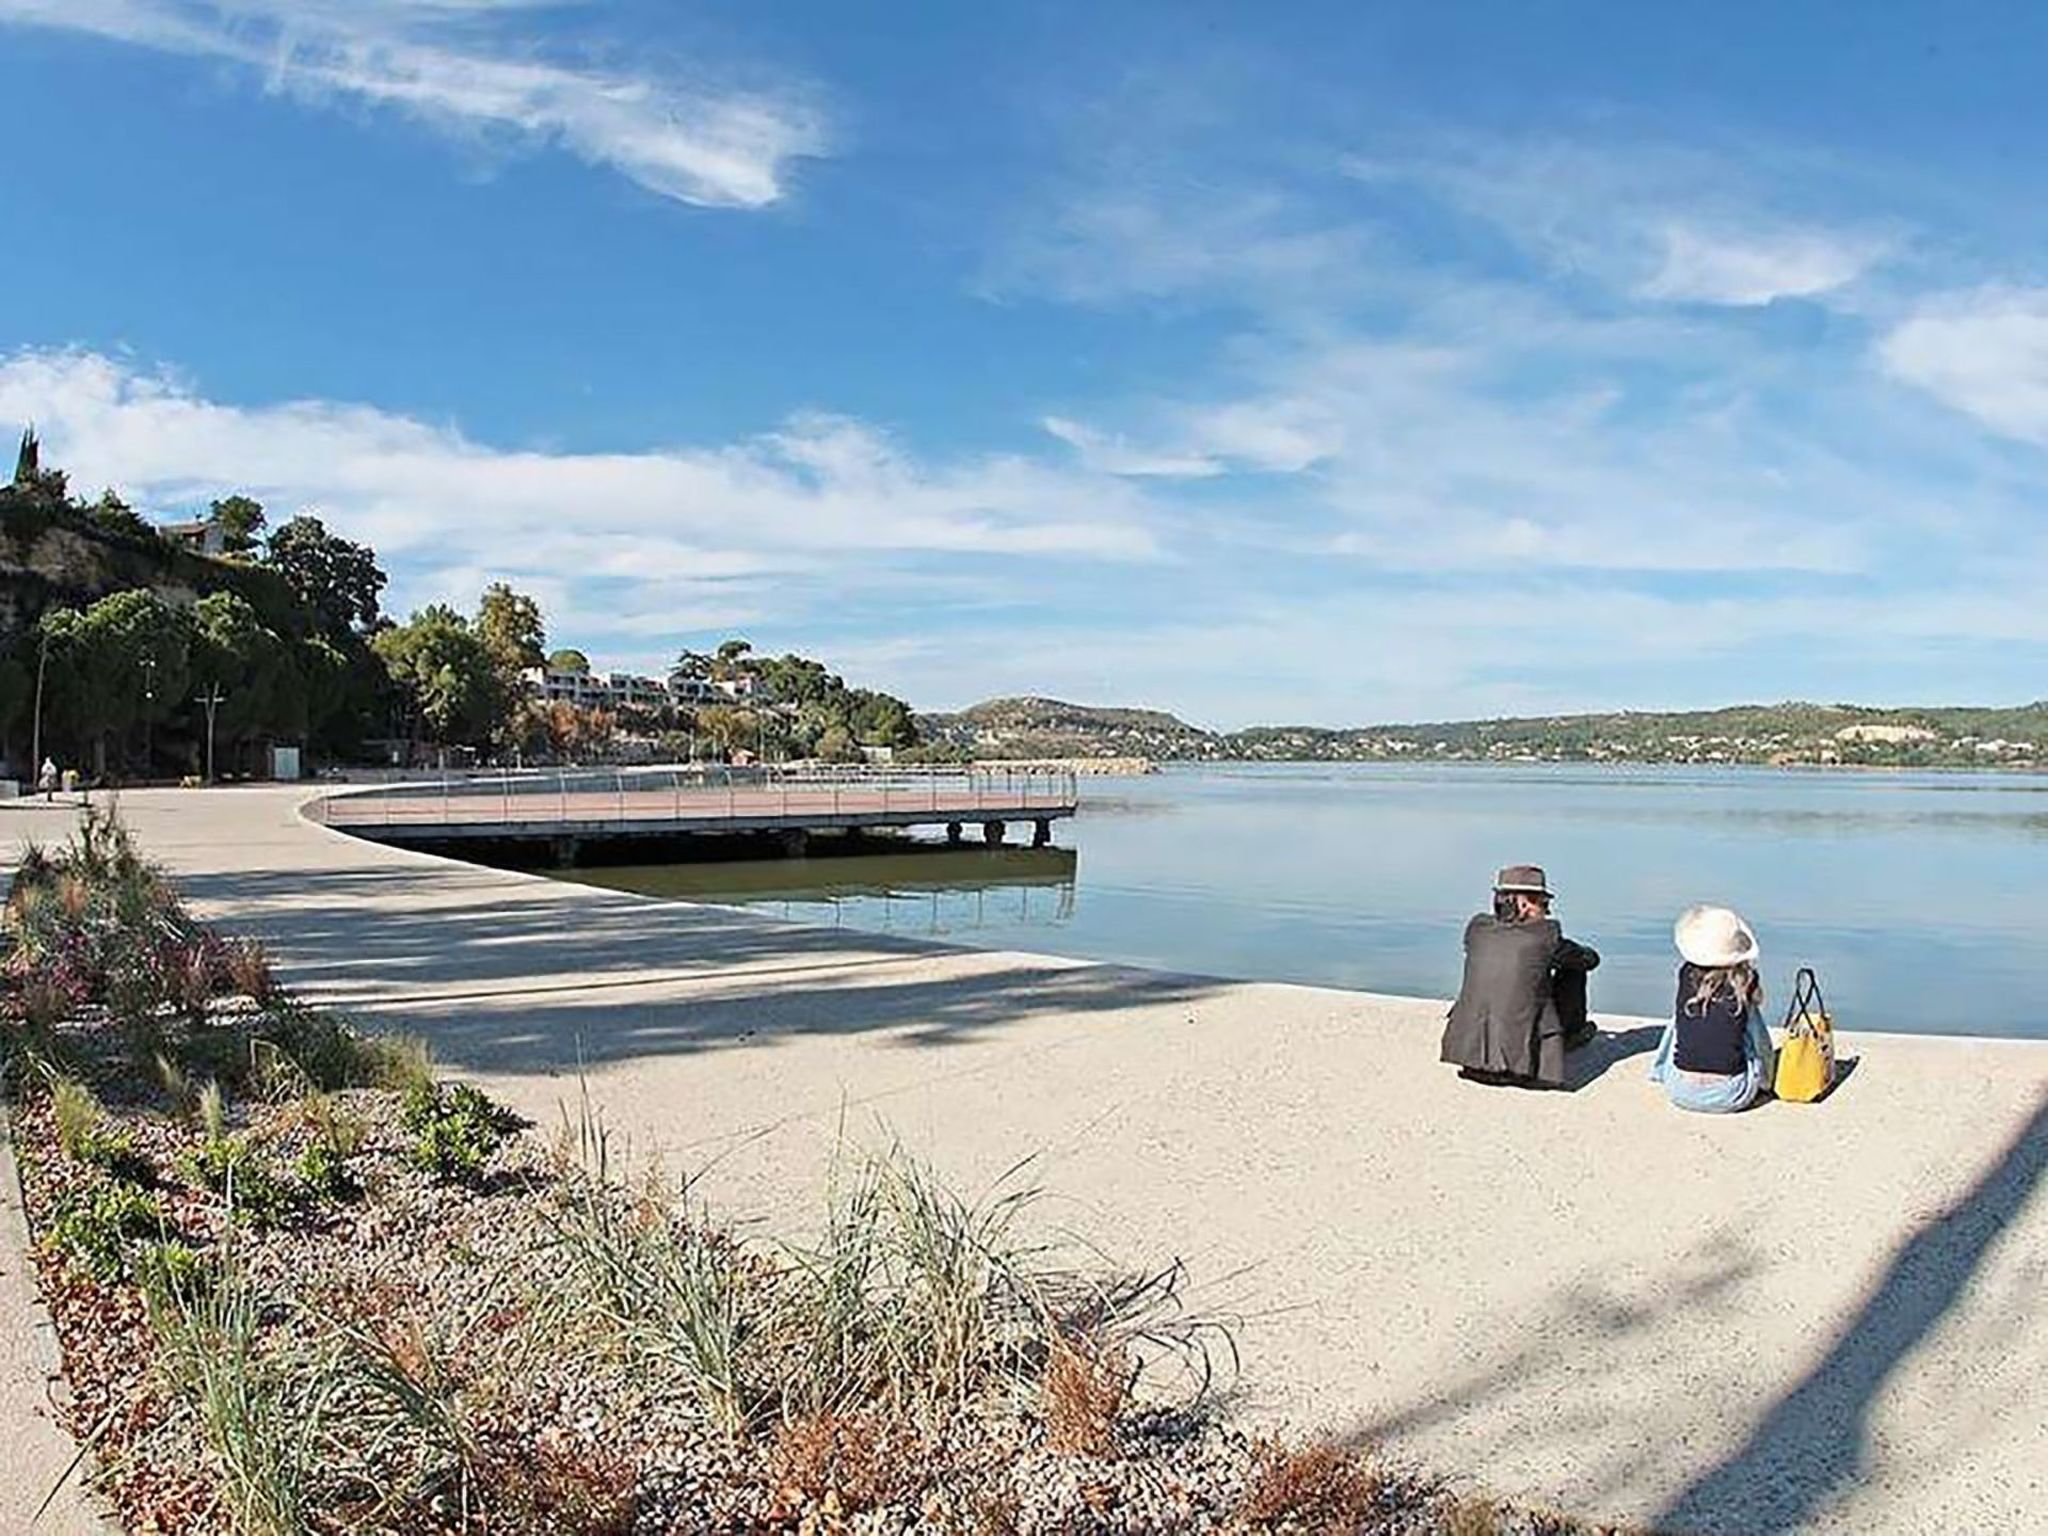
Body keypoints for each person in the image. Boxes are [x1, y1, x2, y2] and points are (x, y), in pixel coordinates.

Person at [1441, 865, 1601, 1089]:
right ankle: (1573, 1034)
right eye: (1543, 904)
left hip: (1468, 1061)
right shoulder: (1545, 934)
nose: (1547, 911)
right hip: (1521, 1068)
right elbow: (1590, 960)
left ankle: (1483, 1054)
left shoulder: (1477, 928)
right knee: (1573, 968)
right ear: (1523, 903)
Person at [1647, 905, 1774, 1113]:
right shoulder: (1744, 982)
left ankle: (1659, 1070)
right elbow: (1759, 1040)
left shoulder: (1686, 974)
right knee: (1749, 1023)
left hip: (1679, 1090)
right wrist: (1766, 1079)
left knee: (1682, 1017)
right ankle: (1766, 1079)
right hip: (1731, 1095)